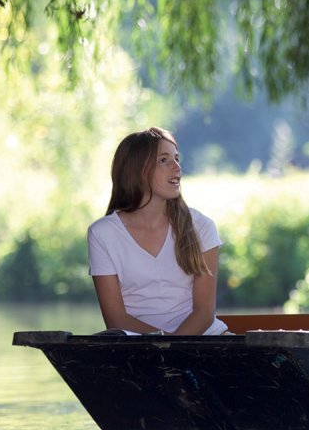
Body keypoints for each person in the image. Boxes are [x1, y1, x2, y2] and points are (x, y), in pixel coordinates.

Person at [87, 127, 229, 335]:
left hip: (202, 340)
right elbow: (115, 319)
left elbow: (204, 313)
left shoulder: (202, 227)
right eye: (164, 160)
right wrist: (160, 348)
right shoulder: (102, 234)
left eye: (177, 158)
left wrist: (170, 351)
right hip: (137, 345)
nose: (177, 167)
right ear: (136, 171)